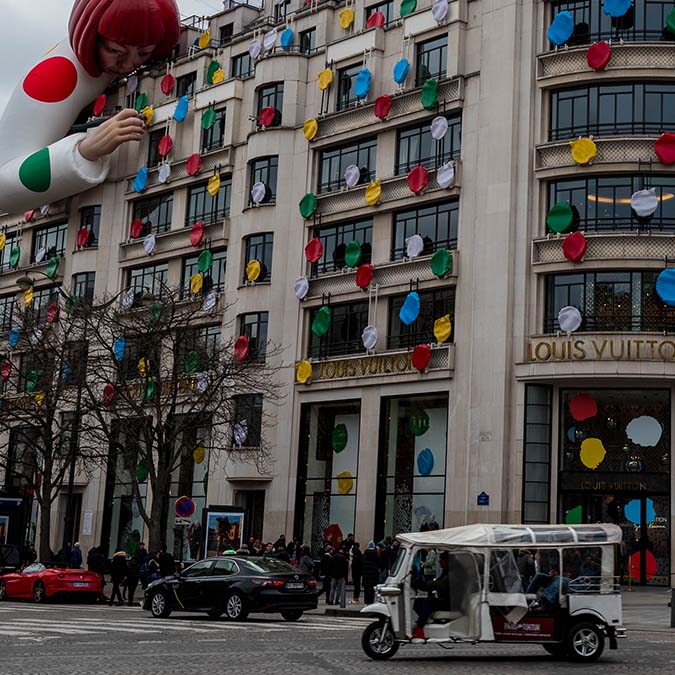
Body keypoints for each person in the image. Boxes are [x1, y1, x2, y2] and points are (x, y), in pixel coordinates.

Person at [0, 0, 181, 215]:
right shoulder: (58, 74)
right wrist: (84, 151)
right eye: (115, 51)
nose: (129, 64)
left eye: (143, 54)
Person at [411, 551, 450, 640]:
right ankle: (424, 620)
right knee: (418, 601)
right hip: (446, 599)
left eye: (441, 560)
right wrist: (423, 585)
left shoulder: (450, 573)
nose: (439, 561)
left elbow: (439, 584)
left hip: (449, 602)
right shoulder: (446, 571)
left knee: (427, 602)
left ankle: (420, 628)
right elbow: (437, 583)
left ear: (447, 561)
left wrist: (423, 584)